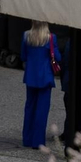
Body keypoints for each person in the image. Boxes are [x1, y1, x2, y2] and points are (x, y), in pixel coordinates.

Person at [19, 21, 58, 149]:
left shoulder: (26, 36)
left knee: (29, 107)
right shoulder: (51, 38)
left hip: (31, 76)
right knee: (42, 110)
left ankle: (27, 138)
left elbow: (23, 56)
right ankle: (38, 141)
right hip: (45, 77)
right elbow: (57, 57)